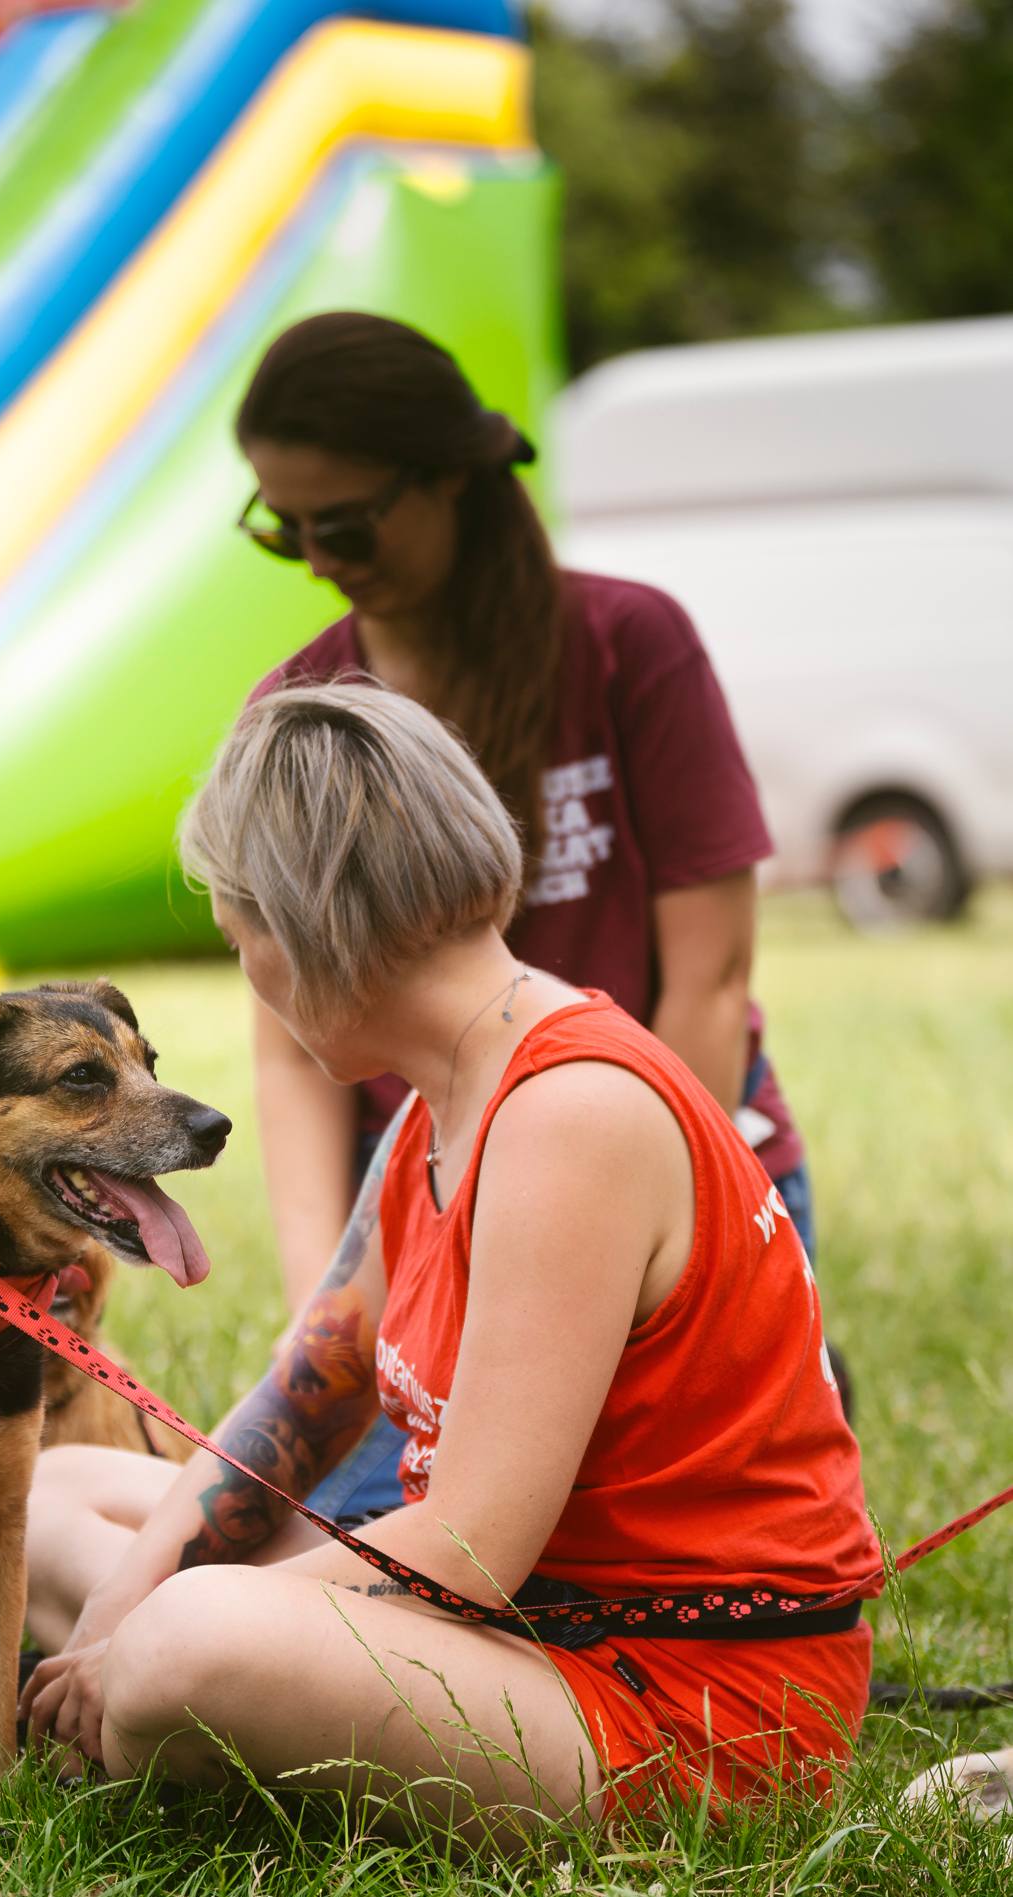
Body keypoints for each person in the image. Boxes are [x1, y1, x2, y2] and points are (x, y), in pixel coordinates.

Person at [21, 685, 879, 1839]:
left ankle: (147, 1718)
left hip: (687, 1702)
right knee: (48, 1497)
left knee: (189, 1641)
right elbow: (312, 1383)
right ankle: (150, 1701)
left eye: (241, 945)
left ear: (304, 924)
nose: (254, 990)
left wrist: (151, 1628)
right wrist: (122, 1598)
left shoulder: (570, 1116)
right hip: (528, 1623)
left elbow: (470, 1545)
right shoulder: (452, 1096)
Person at [232, 311, 847, 1525]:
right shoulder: (302, 710)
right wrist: (324, 1323)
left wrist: (639, 1255)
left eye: (344, 524)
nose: (315, 557)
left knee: (519, 1542)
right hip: (422, 1200)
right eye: (281, 528)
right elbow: (291, 1039)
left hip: (673, 1164)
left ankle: (783, 1363)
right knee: (321, 1535)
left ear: (452, 477)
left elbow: (709, 986)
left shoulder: (629, 645)